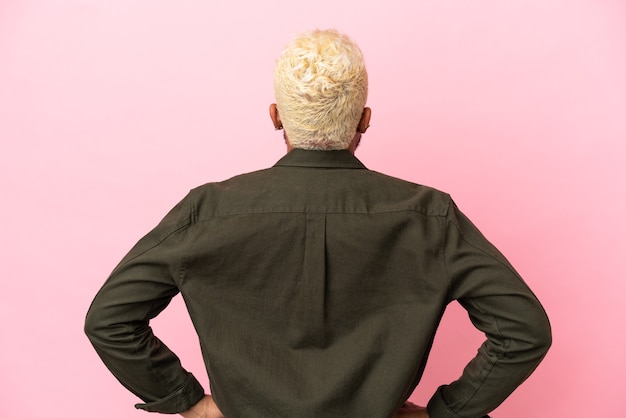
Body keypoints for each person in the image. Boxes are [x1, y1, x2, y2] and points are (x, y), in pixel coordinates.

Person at [85, 29, 551, 418]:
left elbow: (109, 320)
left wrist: (189, 403)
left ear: (275, 117)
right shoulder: (430, 215)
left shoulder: (207, 210)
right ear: (364, 121)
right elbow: (524, 330)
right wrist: (444, 413)